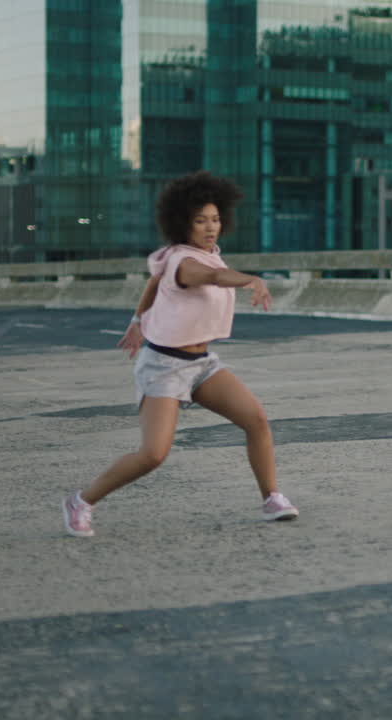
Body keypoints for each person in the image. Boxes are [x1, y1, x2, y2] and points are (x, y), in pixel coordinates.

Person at [62, 170, 298, 537]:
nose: (210, 227)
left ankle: (272, 498)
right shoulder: (186, 262)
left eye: (215, 219)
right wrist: (252, 279)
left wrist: (138, 319)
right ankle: (81, 500)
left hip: (202, 364)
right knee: (153, 455)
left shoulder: (201, 256)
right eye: (200, 220)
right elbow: (213, 278)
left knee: (256, 420)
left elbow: (154, 283)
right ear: (181, 222)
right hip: (164, 367)